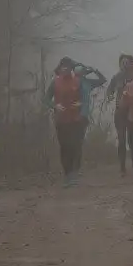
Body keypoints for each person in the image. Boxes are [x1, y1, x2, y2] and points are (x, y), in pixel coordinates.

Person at [43, 57, 86, 187]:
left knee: (76, 146)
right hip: (61, 120)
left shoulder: (78, 82)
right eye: (63, 66)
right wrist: (54, 106)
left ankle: (74, 174)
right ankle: (67, 174)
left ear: (71, 69)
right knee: (65, 147)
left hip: (76, 119)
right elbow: (46, 99)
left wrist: (80, 104)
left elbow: (85, 99)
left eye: (68, 67)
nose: (65, 69)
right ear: (60, 68)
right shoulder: (55, 82)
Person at [72, 63, 107, 171]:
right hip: (71, 115)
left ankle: (76, 167)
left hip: (83, 115)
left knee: (78, 141)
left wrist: (95, 70)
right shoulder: (70, 82)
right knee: (73, 141)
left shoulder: (87, 82)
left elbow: (102, 80)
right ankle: (72, 166)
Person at [106, 53, 133, 176]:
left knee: (132, 139)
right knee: (122, 139)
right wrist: (110, 95)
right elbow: (109, 90)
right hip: (120, 111)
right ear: (119, 64)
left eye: (127, 62)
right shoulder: (116, 77)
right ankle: (122, 167)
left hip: (132, 111)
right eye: (122, 62)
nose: (124, 64)